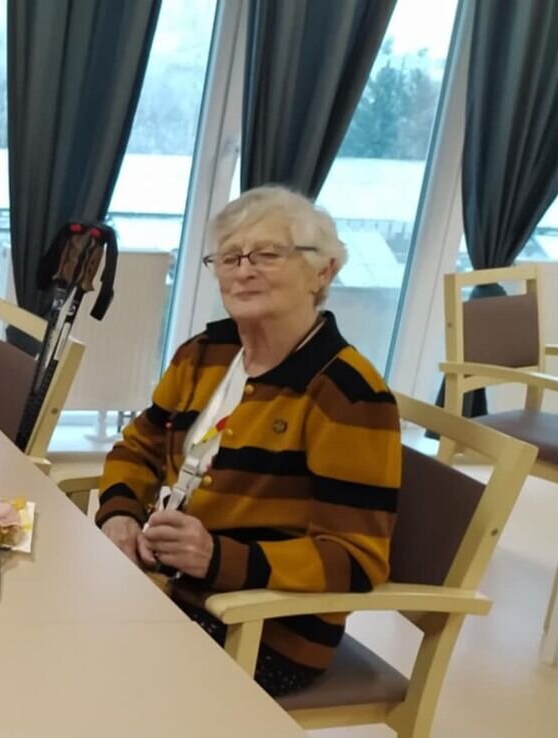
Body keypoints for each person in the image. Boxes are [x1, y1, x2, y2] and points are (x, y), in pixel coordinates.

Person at [94, 186, 400, 696]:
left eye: (268, 254)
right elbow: (137, 448)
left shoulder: (347, 393)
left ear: (323, 271)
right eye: (230, 257)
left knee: (81, 668)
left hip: (262, 631)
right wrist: (120, 514)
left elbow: (356, 558)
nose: (243, 270)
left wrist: (217, 557)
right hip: (165, 587)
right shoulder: (205, 353)